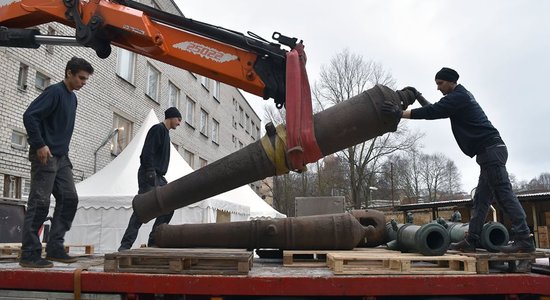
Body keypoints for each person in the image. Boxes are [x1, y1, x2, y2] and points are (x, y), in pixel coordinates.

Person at [389, 67, 534, 253]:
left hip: (491, 151)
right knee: (481, 200)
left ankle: (524, 239)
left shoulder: (460, 97)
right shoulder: (458, 97)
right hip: (488, 152)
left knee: (504, 194)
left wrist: (400, 113)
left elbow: (434, 111)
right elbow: (436, 108)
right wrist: (418, 96)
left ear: (451, 82)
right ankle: (471, 240)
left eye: (440, 84)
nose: (438, 88)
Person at [20, 57, 94, 268]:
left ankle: (54, 247)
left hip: (62, 158)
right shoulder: (54, 92)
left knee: (69, 198)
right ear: (69, 73)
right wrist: (40, 144)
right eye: (81, 78)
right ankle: (30, 253)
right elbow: (30, 116)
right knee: (40, 203)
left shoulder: (73, 99)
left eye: (86, 79)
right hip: (46, 154)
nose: (83, 82)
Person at [118, 107, 182, 251]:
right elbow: (147, 152)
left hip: (159, 176)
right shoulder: (158, 129)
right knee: (143, 210)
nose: (179, 123)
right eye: (178, 119)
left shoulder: (166, 134)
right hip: (149, 174)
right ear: (171, 117)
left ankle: (154, 240)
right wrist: (150, 172)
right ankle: (125, 246)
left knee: (169, 206)